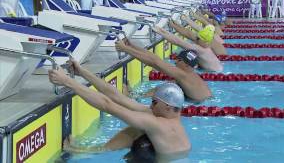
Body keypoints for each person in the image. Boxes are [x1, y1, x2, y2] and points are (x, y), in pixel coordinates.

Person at [48, 61, 191, 162]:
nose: (150, 105)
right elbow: (116, 97)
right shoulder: (166, 118)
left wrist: (67, 81)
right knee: (136, 131)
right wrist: (82, 72)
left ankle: (86, 153)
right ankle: (90, 151)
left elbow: (107, 105)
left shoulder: (157, 124)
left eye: (154, 102)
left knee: (137, 131)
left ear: (167, 106)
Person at [116, 38, 212, 102]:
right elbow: (155, 59)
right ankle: (136, 96)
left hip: (201, 106)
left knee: (168, 87)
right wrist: (131, 46)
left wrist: (125, 49)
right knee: (170, 84)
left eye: (179, 60)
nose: (175, 62)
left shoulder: (183, 75)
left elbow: (155, 62)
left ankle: (133, 98)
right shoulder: (190, 74)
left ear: (187, 65)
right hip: (202, 102)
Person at [153, 25, 223, 72]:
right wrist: (162, 30)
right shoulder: (208, 48)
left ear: (203, 40)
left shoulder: (200, 49)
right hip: (218, 70)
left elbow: (177, 41)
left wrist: (159, 31)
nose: (196, 39)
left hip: (212, 73)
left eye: (198, 38)